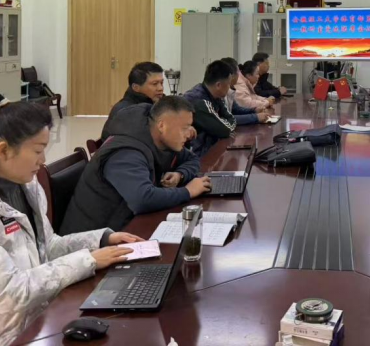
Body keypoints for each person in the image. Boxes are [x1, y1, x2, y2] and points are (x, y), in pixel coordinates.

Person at [0, 93, 142, 346]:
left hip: (28, 326)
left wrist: (100, 240)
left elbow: (45, 247)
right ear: (3, 150)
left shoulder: (22, 186)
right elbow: (7, 293)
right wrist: (88, 260)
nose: (43, 161)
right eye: (38, 150)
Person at [62, 97, 209, 235]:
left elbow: (192, 159)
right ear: (162, 125)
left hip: (125, 227)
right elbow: (142, 199)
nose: (189, 134)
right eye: (184, 128)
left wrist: (180, 174)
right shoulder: (126, 152)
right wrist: (188, 191)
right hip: (94, 241)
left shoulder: (161, 140)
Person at [183, 60, 238, 154]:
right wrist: (222, 122)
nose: (229, 88)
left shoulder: (215, 95)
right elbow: (224, 130)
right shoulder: (199, 101)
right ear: (218, 85)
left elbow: (231, 118)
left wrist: (221, 121)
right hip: (195, 153)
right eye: (228, 84)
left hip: (205, 146)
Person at [101, 62, 165, 140]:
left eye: (161, 83)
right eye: (154, 84)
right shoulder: (127, 112)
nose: (160, 88)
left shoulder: (156, 104)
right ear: (136, 87)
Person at [221, 57, 270, 125]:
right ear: (231, 76)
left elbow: (236, 109)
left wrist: (254, 110)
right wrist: (256, 117)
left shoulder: (229, 89)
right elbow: (226, 119)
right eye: (238, 72)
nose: (239, 75)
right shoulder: (221, 92)